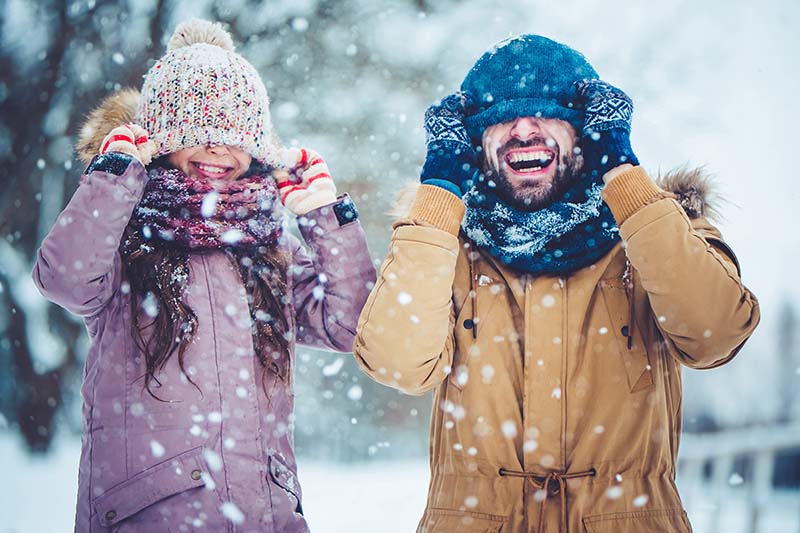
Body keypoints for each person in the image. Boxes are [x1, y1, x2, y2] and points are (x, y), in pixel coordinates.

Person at [353, 34, 760, 532]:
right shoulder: (444, 246)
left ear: (583, 132)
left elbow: (715, 334)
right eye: (500, 117)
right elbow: (397, 364)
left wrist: (623, 176)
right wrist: (438, 192)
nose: (524, 128)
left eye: (547, 112)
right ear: (475, 144)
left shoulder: (659, 230)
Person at [33, 19, 375, 532]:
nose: (217, 149)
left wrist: (324, 217)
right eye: (199, 131)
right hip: (149, 517)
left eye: (235, 135)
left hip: (265, 515)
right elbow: (63, 278)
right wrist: (114, 176)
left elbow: (351, 326)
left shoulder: (270, 249)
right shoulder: (123, 234)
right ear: (165, 140)